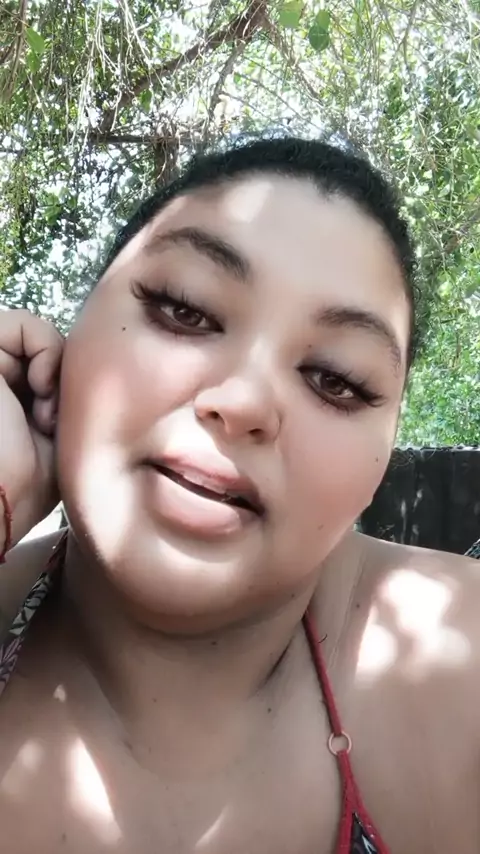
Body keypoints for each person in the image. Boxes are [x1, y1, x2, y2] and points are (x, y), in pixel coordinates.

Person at [0, 136, 479, 854]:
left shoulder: (460, 658)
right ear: (68, 337)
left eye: (336, 379)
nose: (245, 401)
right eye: (185, 309)